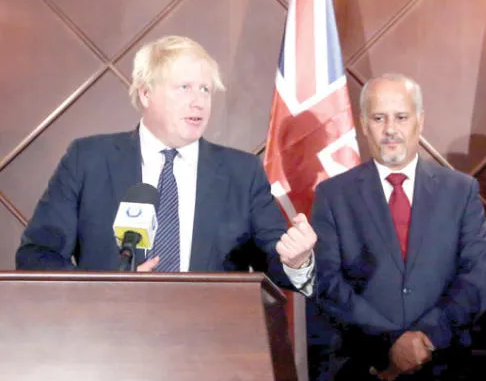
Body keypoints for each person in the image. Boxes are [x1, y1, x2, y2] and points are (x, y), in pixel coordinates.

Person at [16, 35, 316, 293]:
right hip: (107, 332)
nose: (199, 102)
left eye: (205, 90)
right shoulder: (88, 159)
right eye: (184, 87)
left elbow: (274, 262)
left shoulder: (242, 172)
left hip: (210, 334)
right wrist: (105, 289)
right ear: (146, 94)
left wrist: (297, 260)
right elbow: (36, 255)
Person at [310, 73, 486, 381]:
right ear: (364, 124)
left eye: (401, 117)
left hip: (445, 377)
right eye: (379, 118)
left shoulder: (461, 191)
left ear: (419, 121)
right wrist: (389, 346)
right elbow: (327, 283)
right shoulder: (333, 195)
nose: (390, 129)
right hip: (363, 377)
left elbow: (477, 278)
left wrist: (425, 339)